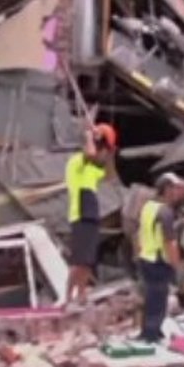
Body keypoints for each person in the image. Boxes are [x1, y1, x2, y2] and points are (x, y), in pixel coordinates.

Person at [65, 123, 116, 304]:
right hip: (80, 213)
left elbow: (110, 175)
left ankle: (81, 294)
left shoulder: (93, 168)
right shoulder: (77, 161)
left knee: (87, 260)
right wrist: (90, 136)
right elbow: (90, 154)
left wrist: (111, 152)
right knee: (78, 260)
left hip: (92, 213)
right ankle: (68, 297)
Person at [137, 172, 184, 345]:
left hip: (146, 257)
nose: (176, 192)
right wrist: (177, 265)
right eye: (174, 188)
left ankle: (149, 330)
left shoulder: (147, 207)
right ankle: (152, 334)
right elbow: (170, 243)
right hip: (159, 259)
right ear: (166, 189)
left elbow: (140, 232)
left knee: (151, 296)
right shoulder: (165, 212)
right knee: (158, 297)